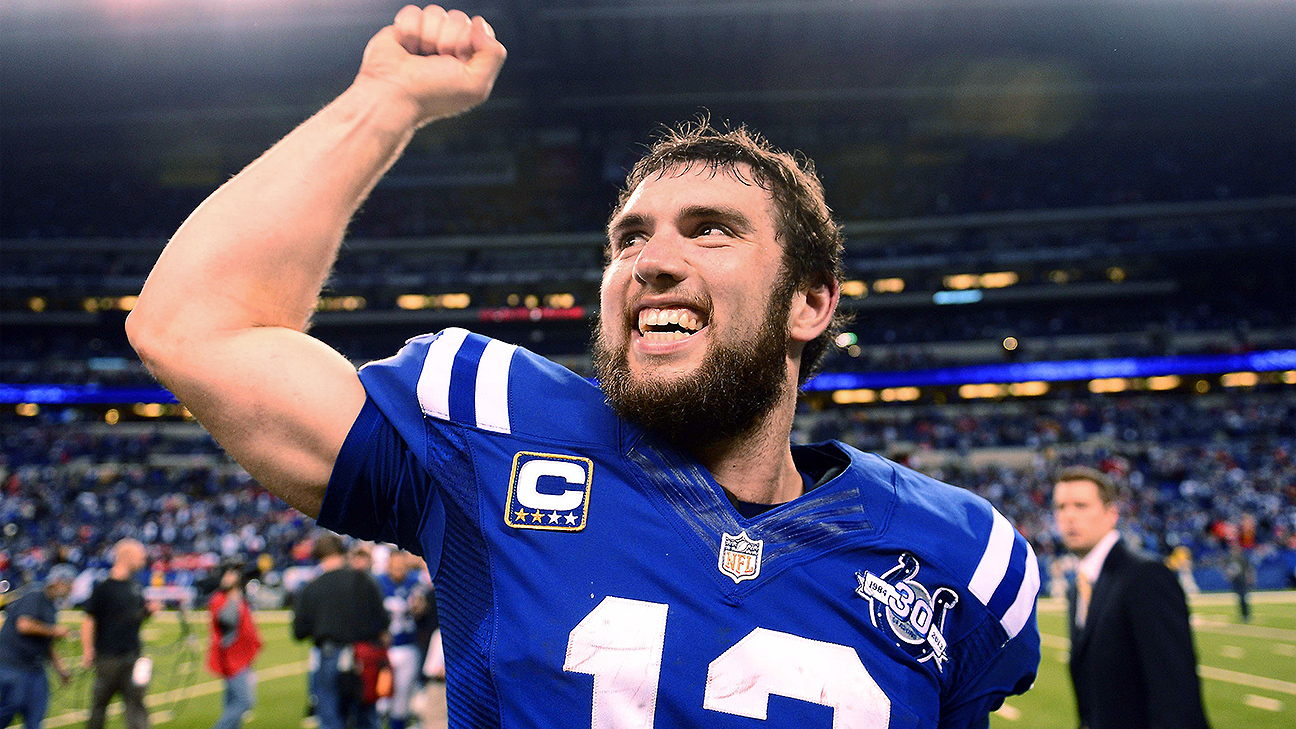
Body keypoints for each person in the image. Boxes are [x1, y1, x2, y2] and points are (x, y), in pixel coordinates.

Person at [126, 5, 1041, 726]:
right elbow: (193, 326)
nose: (652, 260)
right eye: (628, 238)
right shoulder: (486, 432)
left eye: (712, 230)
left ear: (811, 303)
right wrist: (384, 102)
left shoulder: (959, 559)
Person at [1052, 466, 1210, 729]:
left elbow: (1176, 693)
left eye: (1081, 506)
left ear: (1111, 513)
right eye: (1060, 507)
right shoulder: (1079, 587)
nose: (1068, 516)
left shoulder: (1145, 576)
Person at [292, 534, 389, 729]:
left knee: (330, 717)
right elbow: (382, 620)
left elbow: (299, 631)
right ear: (343, 553)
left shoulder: (311, 588)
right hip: (363, 655)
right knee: (366, 716)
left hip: (330, 655)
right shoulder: (362, 580)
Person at [81, 539, 157, 729]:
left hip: (132, 655)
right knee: (99, 706)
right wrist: (87, 649)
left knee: (136, 703)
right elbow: (89, 620)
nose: (143, 561)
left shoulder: (136, 587)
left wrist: (148, 612)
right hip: (108, 657)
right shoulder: (103, 588)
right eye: (140, 556)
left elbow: (133, 617)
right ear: (126, 557)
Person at [0, 565, 76, 729]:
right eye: (69, 584)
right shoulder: (35, 595)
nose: (70, 589)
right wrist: (54, 630)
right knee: (8, 710)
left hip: (34, 668)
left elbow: (47, 642)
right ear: (58, 582)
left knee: (36, 716)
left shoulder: (51, 605)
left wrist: (60, 669)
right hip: (13, 664)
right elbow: (24, 625)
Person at [206, 565, 262, 729]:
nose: (231, 577)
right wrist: (234, 598)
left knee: (231, 703)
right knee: (245, 701)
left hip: (241, 656)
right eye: (228, 574)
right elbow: (227, 621)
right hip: (232, 657)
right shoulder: (221, 599)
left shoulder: (236, 598)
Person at [376, 552, 422, 729]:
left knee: (402, 699)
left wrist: (421, 606)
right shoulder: (378, 582)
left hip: (409, 646)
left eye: (402, 566)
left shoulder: (415, 582)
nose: (398, 570)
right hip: (384, 648)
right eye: (395, 566)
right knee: (380, 699)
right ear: (388, 565)